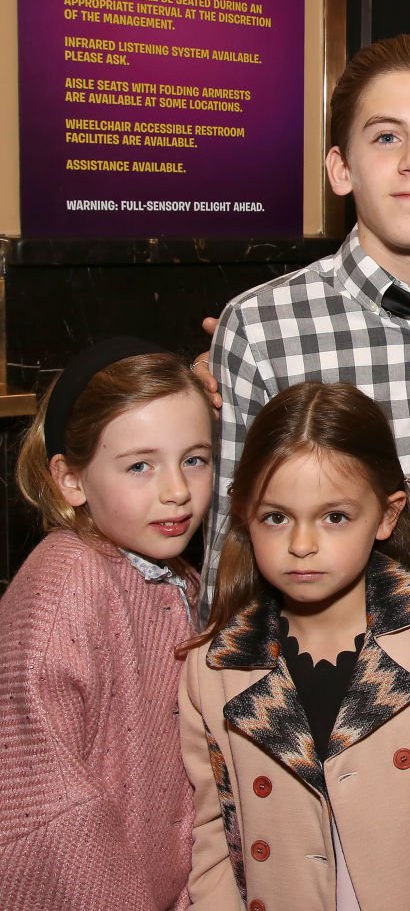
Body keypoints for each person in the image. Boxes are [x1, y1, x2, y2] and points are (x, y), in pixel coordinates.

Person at [179, 380, 410, 910]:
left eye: (335, 517)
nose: (302, 545)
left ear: (387, 515)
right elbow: (211, 833)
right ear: (244, 515)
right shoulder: (216, 668)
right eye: (276, 517)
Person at [200, 34, 410, 655]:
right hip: (342, 699)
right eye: (386, 136)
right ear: (341, 168)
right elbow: (230, 561)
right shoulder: (266, 329)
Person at [0, 338, 214, 911]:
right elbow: (43, 810)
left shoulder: (179, 578)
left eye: (195, 459)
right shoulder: (65, 593)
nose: (176, 491)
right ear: (71, 480)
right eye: (140, 465)